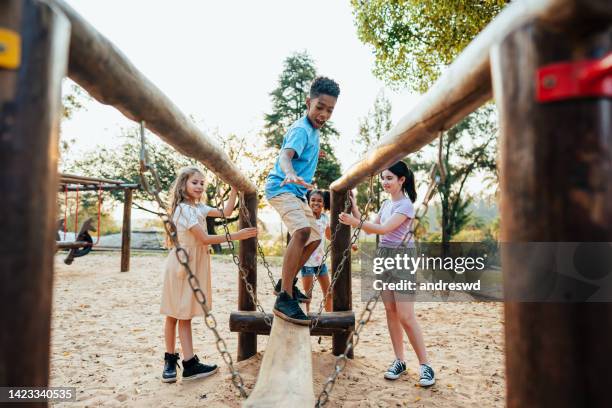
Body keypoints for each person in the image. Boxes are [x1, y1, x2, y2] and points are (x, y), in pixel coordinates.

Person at [339, 161, 435, 387]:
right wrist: (354, 207)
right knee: (391, 311)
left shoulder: (406, 206)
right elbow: (372, 224)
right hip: (384, 258)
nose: (385, 182)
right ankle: (399, 360)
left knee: (406, 316)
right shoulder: (385, 204)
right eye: (383, 178)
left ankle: (425, 365)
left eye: (389, 178)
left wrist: (354, 222)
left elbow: (383, 230)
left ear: (402, 180)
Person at [160, 166, 257, 383]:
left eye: (202, 183)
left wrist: (234, 188)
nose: (199, 186)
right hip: (182, 264)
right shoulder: (184, 210)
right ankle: (170, 360)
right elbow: (203, 238)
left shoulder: (199, 208)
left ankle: (189, 363)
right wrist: (237, 235)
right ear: (183, 184)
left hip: (195, 262)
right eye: (195, 182)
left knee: (183, 314)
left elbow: (227, 212)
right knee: (174, 313)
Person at [265, 76, 340, 325]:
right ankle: (284, 297)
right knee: (301, 231)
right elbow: (286, 156)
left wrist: (315, 152)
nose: (324, 114)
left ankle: (284, 283)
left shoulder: (313, 132)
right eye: (320, 107)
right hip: (281, 186)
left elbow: (303, 150)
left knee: (316, 237)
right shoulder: (301, 129)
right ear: (309, 102)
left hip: (297, 193)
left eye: (329, 110)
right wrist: (289, 171)